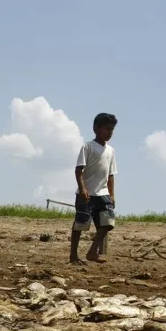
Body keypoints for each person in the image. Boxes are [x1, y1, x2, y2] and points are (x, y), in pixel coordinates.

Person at [69, 112, 118, 265]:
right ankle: (73, 256)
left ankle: (92, 252)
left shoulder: (111, 150)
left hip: (103, 193)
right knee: (81, 224)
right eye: (107, 129)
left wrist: (112, 195)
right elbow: (78, 170)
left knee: (107, 223)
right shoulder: (87, 147)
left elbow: (110, 175)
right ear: (96, 129)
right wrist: (82, 189)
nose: (109, 132)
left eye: (111, 129)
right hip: (87, 194)